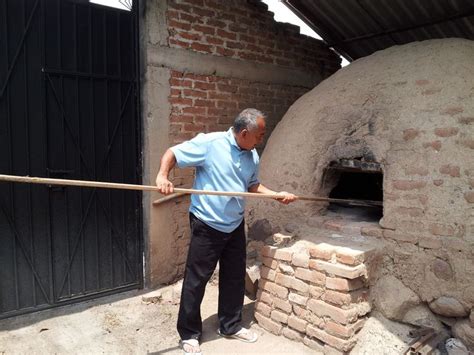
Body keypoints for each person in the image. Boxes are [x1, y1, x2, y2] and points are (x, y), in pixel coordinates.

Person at [156, 108, 296, 355]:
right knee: (196, 279)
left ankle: (229, 326)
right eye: (260, 135)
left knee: (233, 277)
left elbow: (252, 185)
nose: (261, 139)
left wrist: (275, 195)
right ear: (244, 133)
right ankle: (189, 333)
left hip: (234, 224)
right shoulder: (210, 144)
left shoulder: (251, 155)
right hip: (207, 223)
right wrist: (162, 175)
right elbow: (173, 153)